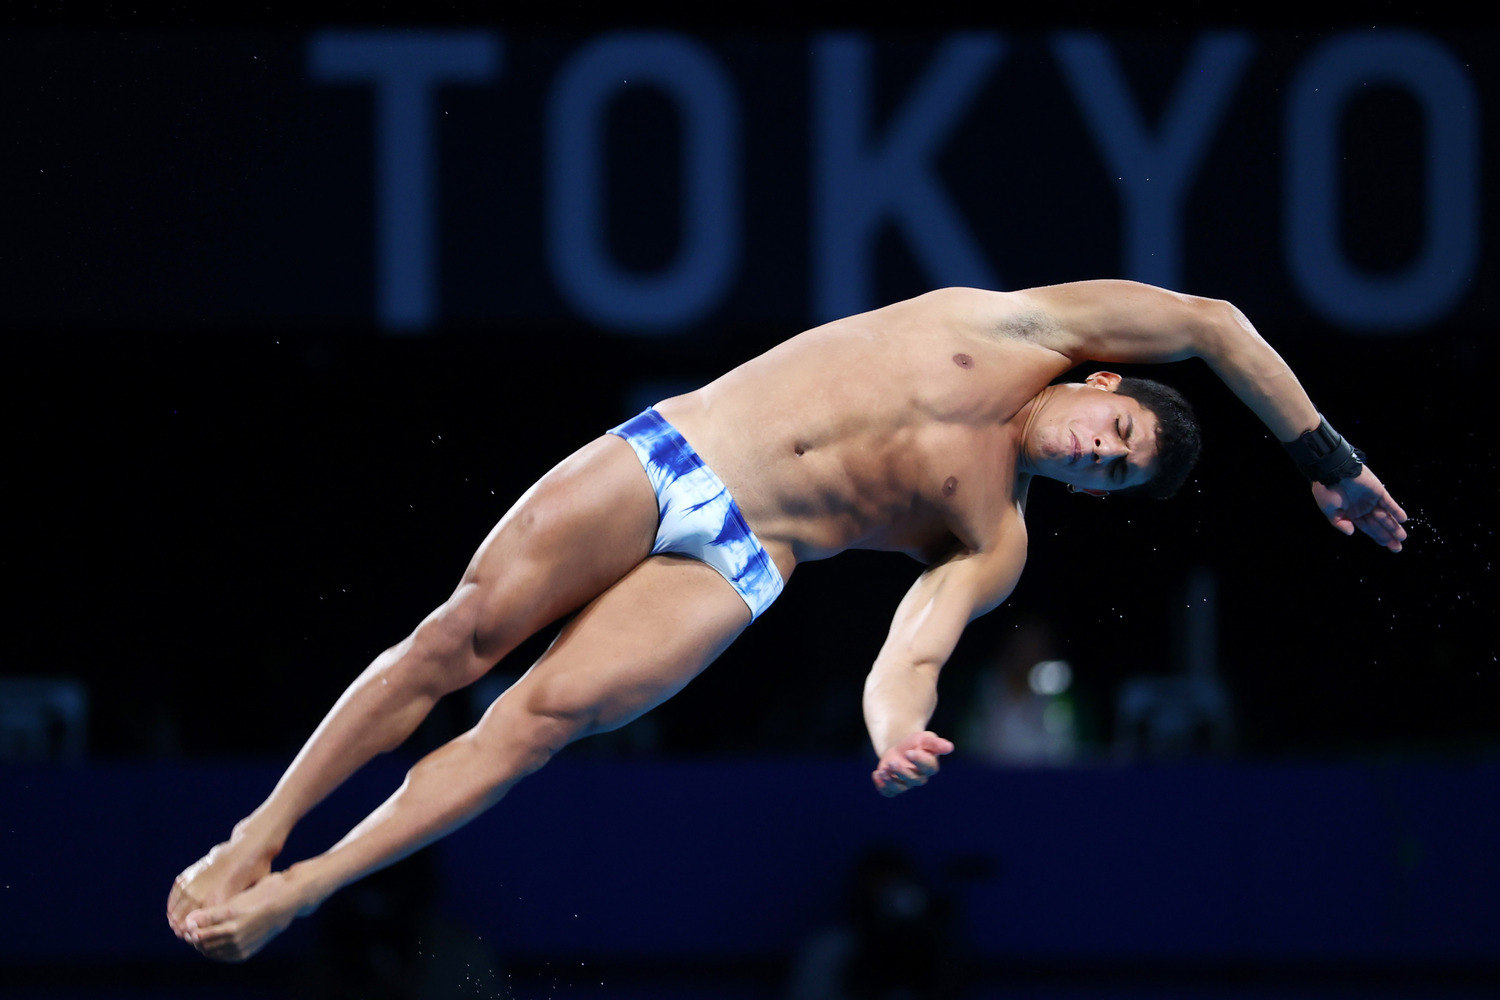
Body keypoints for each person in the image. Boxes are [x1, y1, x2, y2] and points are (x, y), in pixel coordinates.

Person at [166, 281, 1407, 961]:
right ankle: (257, 831)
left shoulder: (996, 534)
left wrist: (894, 732)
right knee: (460, 642)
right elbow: (1213, 325)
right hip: (678, 451)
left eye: (1113, 477)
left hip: (746, 562)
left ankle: (303, 890)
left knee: (532, 725)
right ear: (1098, 384)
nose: (1096, 456)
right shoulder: (1020, 325)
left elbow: (909, 650)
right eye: (1117, 432)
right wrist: (1326, 456)